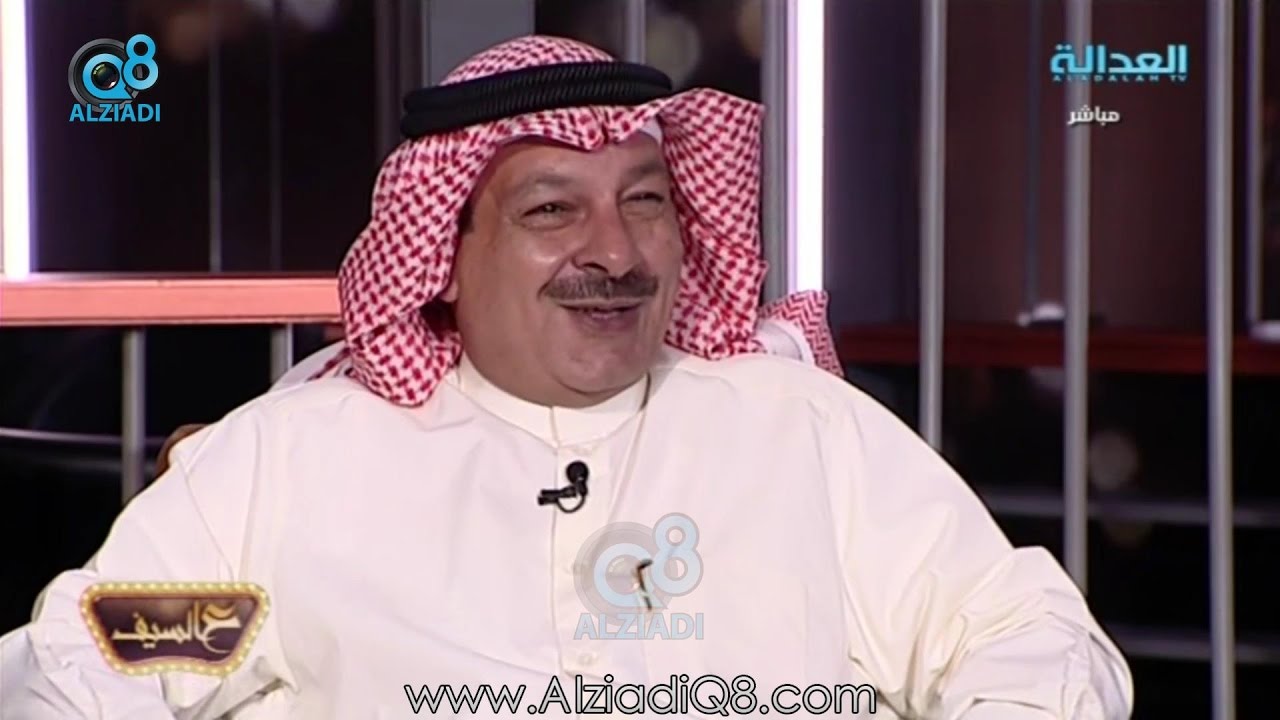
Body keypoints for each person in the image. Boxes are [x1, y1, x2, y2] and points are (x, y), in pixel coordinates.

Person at [0, 36, 1132, 719]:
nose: (616, 252)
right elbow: (85, 672)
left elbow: (1024, 637)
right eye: (552, 211)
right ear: (445, 252)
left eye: (645, 202)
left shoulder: (800, 430)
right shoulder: (292, 465)